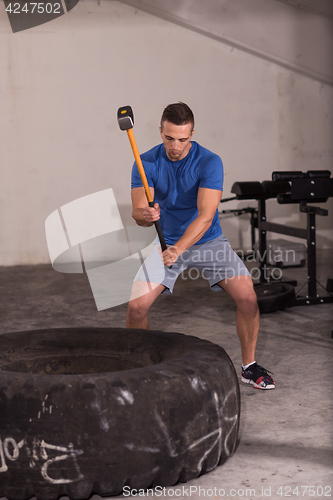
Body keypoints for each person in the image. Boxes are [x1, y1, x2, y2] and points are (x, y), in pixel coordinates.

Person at [126, 102, 275, 390]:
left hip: (207, 241)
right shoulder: (145, 162)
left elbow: (206, 216)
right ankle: (139, 369)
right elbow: (138, 213)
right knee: (136, 307)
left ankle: (249, 366)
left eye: (182, 139)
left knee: (248, 298)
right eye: (169, 138)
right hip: (165, 242)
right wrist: (145, 215)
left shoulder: (209, 161)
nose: (175, 146)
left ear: (192, 134)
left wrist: (179, 249)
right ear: (160, 131)